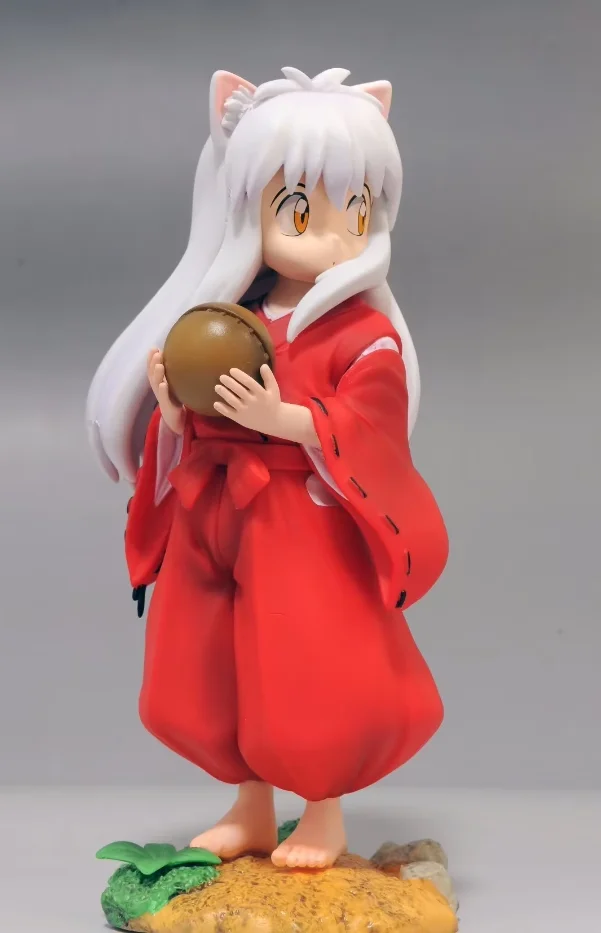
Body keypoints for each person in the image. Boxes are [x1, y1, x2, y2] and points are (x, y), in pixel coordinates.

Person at [86, 66, 449, 870]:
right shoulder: (229, 318)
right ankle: (251, 807)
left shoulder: (362, 335)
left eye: (357, 210)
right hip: (216, 511)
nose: (334, 236)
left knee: (304, 664)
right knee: (211, 662)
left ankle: (322, 814)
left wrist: (284, 420)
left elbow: (373, 423)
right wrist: (173, 414)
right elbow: (196, 417)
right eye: (301, 210)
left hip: (298, 521)